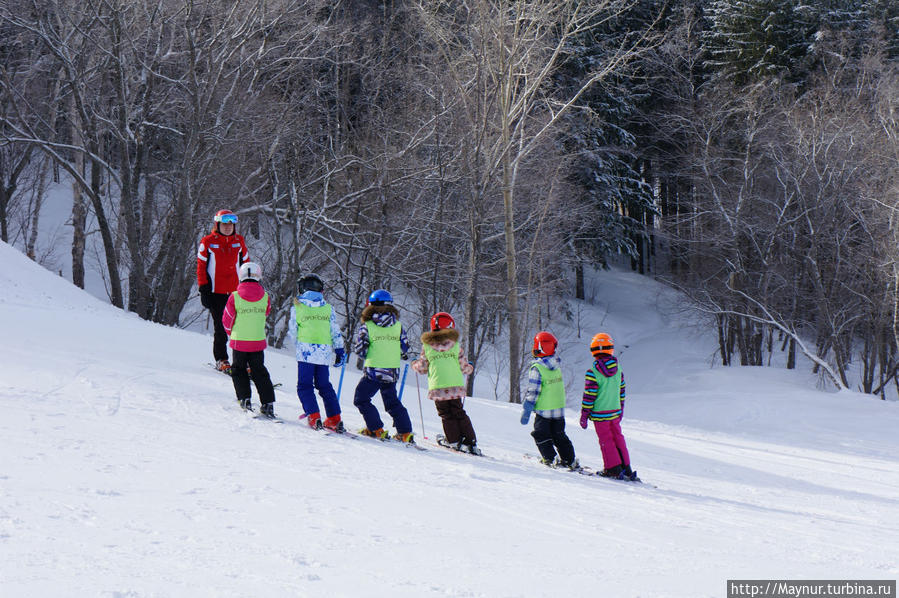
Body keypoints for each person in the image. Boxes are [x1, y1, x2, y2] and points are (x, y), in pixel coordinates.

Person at [411, 312, 481, 455]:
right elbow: (464, 366)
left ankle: (454, 440)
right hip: (454, 385)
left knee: (446, 414)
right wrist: (469, 368)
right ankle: (470, 441)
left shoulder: (428, 346)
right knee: (459, 412)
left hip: (438, 386)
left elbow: (423, 368)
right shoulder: (455, 346)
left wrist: (414, 365)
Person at [352, 289, 414, 441]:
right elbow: (405, 347)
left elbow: (360, 350)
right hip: (392, 371)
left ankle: (376, 428)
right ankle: (405, 433)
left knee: (361, 399)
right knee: (392, 402)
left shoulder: (368, 326)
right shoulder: (398, 326)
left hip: (374, 370)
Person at [287, 273, 346, 431]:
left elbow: (293, 331)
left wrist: (299, 345)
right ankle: (335, 418)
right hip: (324, 352)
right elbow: (335, 331)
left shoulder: (298, 306)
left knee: (304, 386)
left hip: (305, 352)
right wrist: (339, 350)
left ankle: (314, 416)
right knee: (324, 385)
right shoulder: (328, 308)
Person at [197, 209, 249, 373]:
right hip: (215, 293)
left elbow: (246, 266)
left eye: (231, 225)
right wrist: (204, 289)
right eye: (224, 224)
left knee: (240, 328)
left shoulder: (239, 241)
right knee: (221, 328)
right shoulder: (208, 241)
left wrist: (248, 286)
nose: (228, 227)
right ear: (217, 224)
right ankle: (221, 359)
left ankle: (242, 361)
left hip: (236, 293)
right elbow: (200, 267)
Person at [222, 262, 276, 417]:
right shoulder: (265, 296)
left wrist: (231, 332)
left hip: (240, 341)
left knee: (239, 370)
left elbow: (227, 318)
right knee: (259, 371)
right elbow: (266, 313)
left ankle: (245, 399)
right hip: (257, 341)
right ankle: (268, 403)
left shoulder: (235, 296)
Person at [579, 332, 636, 480]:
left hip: (600, 414)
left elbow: (589, 396)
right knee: (618, 437)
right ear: (610, 348)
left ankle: (613, 469)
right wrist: (621, 409)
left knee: (606, 440)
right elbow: (621, 391)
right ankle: (626, 467)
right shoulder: (619, 370)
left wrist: (585, 414)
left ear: (593, 351)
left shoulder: (593, 372)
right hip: (615, 412)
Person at [520, 331, 578, 470]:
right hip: (558, 410)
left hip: (544, 411)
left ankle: (550, 458)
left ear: (539, 348)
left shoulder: (537, 368)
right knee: (559, 435)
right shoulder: (556, 366)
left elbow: (534, 390)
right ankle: (569, 459)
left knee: (541, 434)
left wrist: (528, 407)